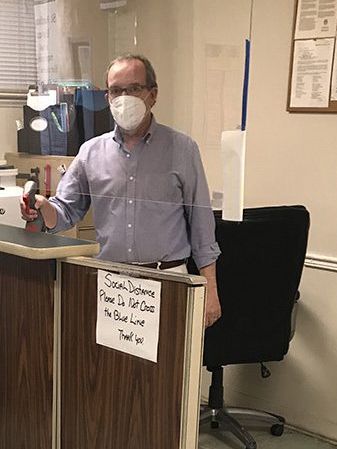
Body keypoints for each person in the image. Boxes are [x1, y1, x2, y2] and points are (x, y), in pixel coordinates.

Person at [21, 54, 221, 327]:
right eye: (116, 90)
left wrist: (210, 290)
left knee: (168, 355)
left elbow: (201, 224)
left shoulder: (182, 149)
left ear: (153, 94)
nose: (124, 97)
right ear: (107, 98)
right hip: (113, 285)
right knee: (109, 356)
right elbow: (65, 212)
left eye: (134, 88)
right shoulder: (91, 152)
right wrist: (43, 207)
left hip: (168, 280)